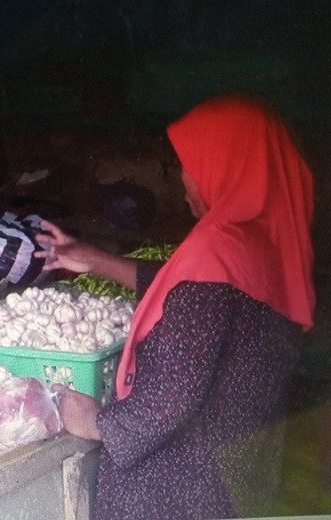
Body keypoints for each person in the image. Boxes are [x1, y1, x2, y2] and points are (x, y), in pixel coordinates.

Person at [35, 93, 315, 519]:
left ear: (225, 164)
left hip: (181, 492)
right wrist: (94, 260)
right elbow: (190, 294)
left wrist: (95, 421)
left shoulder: (213, 255)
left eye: (191, 160)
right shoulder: (268, 238)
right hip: (239, 471)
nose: (184, 177)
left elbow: (167, 401)